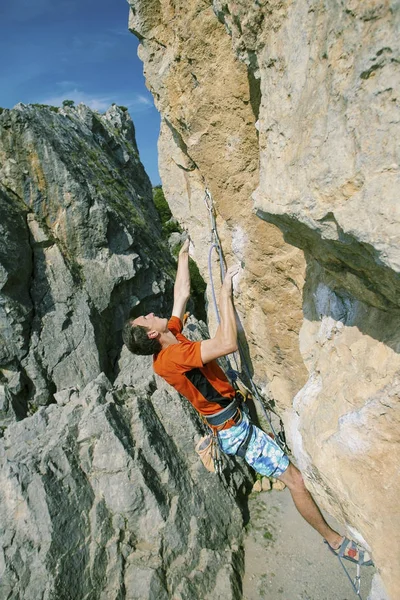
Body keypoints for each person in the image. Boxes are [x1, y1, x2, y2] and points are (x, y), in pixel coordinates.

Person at [123, 238, 372, 566]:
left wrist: (182, 253)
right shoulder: (171, 358)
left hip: (231, 419)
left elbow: (180, 294)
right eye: (146, 319)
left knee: (294, 470)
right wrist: (225, 293)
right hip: (234, 431)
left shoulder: (171, 333)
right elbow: (226, 342)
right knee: (294, 479)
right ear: (152, 335)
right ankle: (334, 541)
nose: (150, 314)